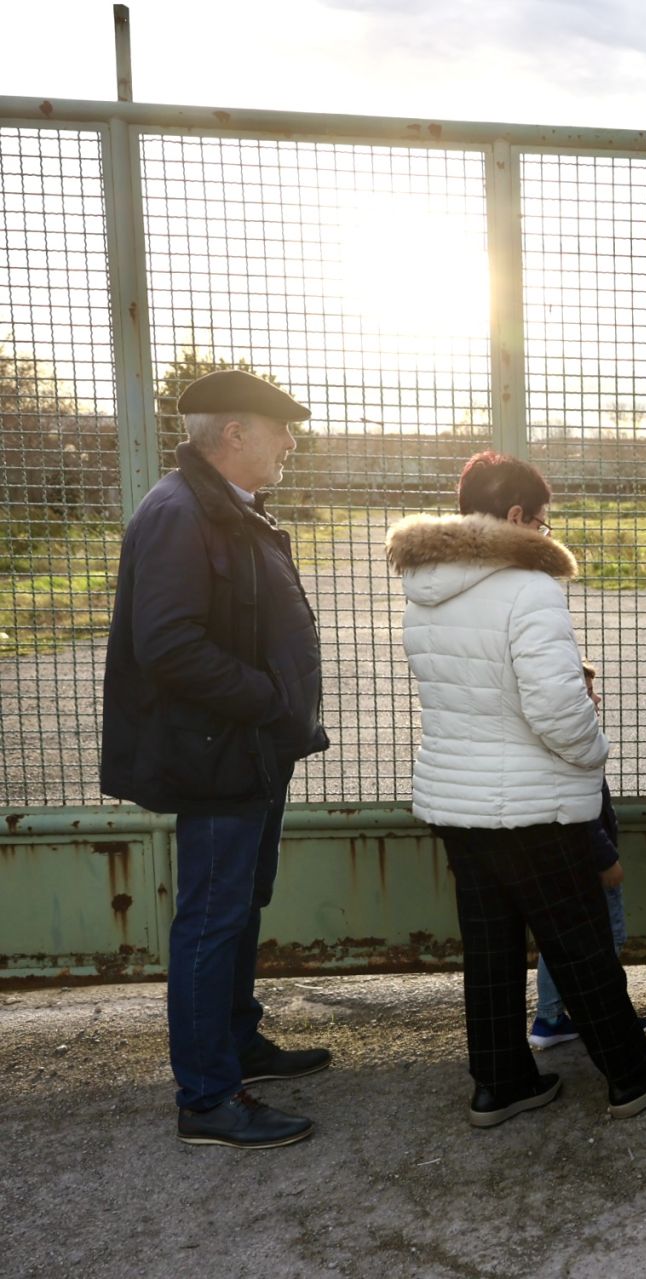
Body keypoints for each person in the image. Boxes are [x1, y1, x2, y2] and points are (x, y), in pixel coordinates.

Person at [387, 451, 646, 1128]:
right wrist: (593, 753)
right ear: (518, 516)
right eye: (544, 520)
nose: (549, 533)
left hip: (458, 800)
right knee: (579, 940)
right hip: (532, 806)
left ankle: (500, 1081)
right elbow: (555, 707)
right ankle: (631, 1073)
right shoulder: (528, 588)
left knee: (489, 948)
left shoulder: (426, 587)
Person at [101, 368, 333, 1149]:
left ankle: (238, 1043)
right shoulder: (179, 511)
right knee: (210, 917)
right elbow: (167, 642)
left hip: (248, 748)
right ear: (234, 434)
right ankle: (206, 1098)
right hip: (219, 751)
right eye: (279, 430)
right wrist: (268, 696)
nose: (291, 443)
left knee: (240, 902)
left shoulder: (223, 504)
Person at [528, 662, 630, 1050]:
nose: (597, 697)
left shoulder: (547, 740)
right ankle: (605, 1013)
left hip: (555, 860)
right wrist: (606, 859)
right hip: (588, 862)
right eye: (588, 691)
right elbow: (583, 812)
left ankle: (551, 1016)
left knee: (557, 941)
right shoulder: (574, 746)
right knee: (609, 938)